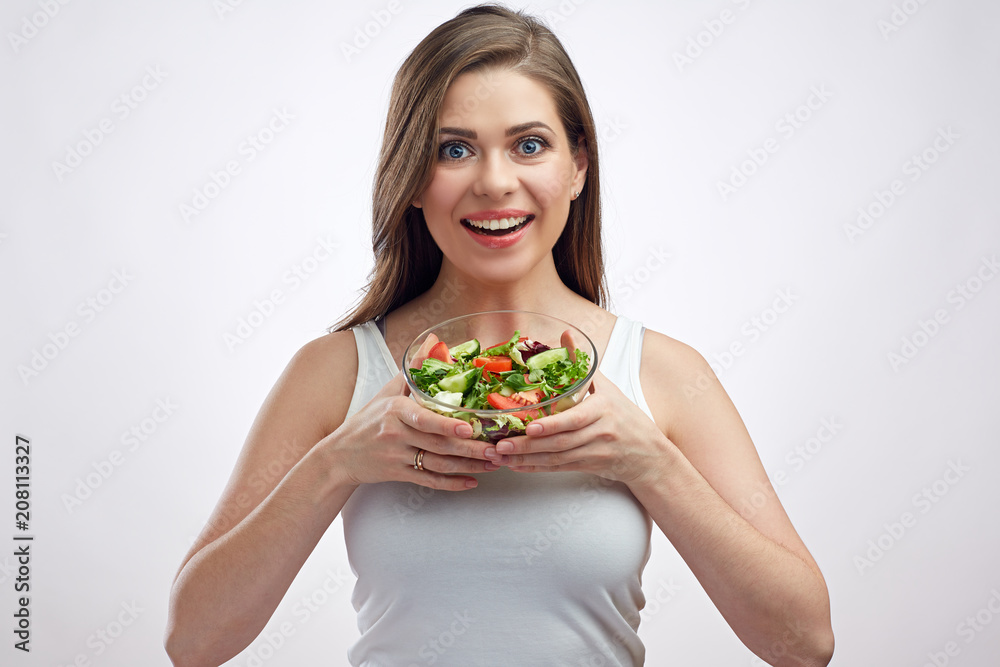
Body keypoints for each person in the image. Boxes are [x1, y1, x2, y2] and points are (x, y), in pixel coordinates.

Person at [165, 4, 834, 666]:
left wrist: (649, 461)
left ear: (577, 167)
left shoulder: (659, 371)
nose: (493, 181)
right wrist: (338, 461)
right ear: (414, 181)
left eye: (529, 144)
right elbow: (193, 642)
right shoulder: (337, 370)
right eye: (454, 149)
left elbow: (805, 643)